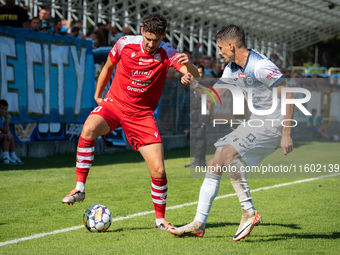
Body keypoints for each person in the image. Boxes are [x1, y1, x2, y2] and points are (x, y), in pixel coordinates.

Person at [62, 14, 199, 231]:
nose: (151, 43)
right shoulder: (124, 43)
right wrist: (98, 95)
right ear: (142, 30)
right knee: (88, 129)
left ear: (164, 36)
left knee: (159, 170)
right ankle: (79, 188)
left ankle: (160, 220)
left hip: (142, 115)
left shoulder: (168, 51)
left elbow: (193, 75)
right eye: (148, 38)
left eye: (156, 39)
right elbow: (107, 67)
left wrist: (188, 70)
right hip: (114, 105)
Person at [169, 24, 294, 240]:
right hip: (257, 121)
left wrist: (286, 133)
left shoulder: (261, 65)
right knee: (216, 161)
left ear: (231, 45)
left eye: (219, 48)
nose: (218, 52)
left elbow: (289, 96)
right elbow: (212, 98)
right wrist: (194, 83)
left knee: (228, 153)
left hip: (274, 121)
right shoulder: (231, 68)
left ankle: (248, 212)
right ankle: (198, 223)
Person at [185, 64, 210, 168]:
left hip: (202, 115)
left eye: (200, 72)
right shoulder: (191, 86)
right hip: (195, 116)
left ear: (203, 73)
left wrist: (203, 119)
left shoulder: (204, 86)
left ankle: (200, 162)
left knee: (200, 139)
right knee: (197, 139)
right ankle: (198, 161)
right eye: (197, 72)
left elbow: (207, 103)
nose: (198, 74)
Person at [0, 99, 23, 164]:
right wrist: (8, 119)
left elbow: (5, 130)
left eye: (5, 109)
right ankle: (8, 156)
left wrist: (8, 132)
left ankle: (9, 156)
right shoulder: (4, 118)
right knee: (7, 135)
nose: (4, 111)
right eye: (2, 108)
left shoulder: (2, 118)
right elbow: (4, 130)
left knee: (8, 136)